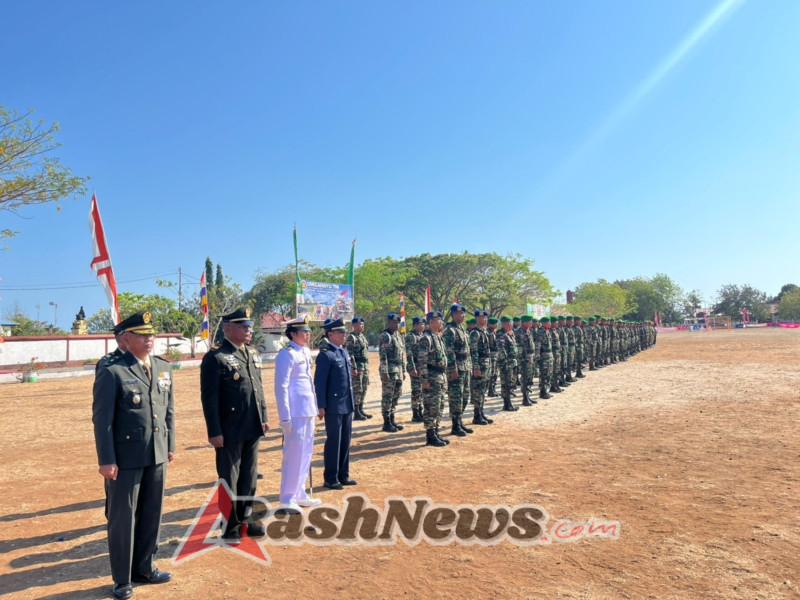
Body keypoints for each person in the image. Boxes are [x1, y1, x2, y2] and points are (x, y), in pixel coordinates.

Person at [92, 310, 174, 600]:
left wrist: (169, 444)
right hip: (125, 457)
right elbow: (103, 421)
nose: (149, 339)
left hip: (157, 452)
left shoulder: (163, 367)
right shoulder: (112, 369)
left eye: (151, 334)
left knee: (152, 513)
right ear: (126, 338)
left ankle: (145, 567)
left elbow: (168, 411)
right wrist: (106, 459)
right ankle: (122, 579)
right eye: (142, 334)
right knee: (123, 518)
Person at [200, 307, 269, 543]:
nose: (248, 330)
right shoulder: (216, 357)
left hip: (252, 424)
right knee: (229, 477)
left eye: (249, 326)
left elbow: (258, 389)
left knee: (248, 477)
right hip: (229, 429)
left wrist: (264, 416)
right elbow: (209, 398)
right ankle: (230, 527)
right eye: (243, 326)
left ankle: (246, 521)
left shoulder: (251, 352)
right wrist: (214, 431)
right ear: (228, 329)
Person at [273, 315, 320, 513]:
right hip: (294, 411)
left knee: (306, 453)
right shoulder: (287, 354)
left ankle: (299, 493)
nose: (308, 334)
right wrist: (285, 416)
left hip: (307, 408)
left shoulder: (305, 351)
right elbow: (281, 386)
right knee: (293, 454)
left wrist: (315, 407)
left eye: (309, 331)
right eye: (304, 331)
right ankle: (287, 497)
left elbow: (308, 382)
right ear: (293, 334)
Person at [314, 318, 357, 490]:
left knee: (345, 441)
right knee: (334, 441)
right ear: (330, 334)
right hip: (333, 406)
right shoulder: (325, 355)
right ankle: (330, 478)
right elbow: (320, 383)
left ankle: (343, 475)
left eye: (345, 332)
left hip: (347, 403)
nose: (344, 335)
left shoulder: (343, 353)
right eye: (341, 332)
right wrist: (321, 405)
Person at [417, 311, 449, 447]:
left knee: (440, 405)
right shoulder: (426, 338)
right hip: (432, 377)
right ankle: (430, 435)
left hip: (440, 376)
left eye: (441, 320)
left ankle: (436, 431)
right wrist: (424, 380)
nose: (441, 322)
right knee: (431, 407)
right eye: (438, 320)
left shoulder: (438, 336)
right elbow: (422, 361)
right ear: (430, 322)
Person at [443, 303, 473, 436]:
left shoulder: (463, 329)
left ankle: (460, 421)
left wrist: (470, 366)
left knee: (465, 395)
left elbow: (468, 351)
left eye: (463, 313)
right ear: (454, 315)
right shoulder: (450, 330)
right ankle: (455, 425)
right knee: (456, 397)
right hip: (456, 368)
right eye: (461, 313)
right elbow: (449, 352)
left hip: (465, 366)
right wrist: (453, 368)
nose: (463, 315)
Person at [379, 313, 406, 433]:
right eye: (394, 322)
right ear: (389, 323)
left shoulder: (398, 336)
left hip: (398, 370)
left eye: (397, 323)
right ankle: (386, 422)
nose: (396, 324)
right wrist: (384, 371)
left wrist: (403, 371)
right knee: (388, 396)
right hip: (390, 370)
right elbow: (383, 355)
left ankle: (392, 419)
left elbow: (401, 355)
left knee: (396, 395)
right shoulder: (386, 336)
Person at [468, 310, 493, 425]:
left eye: (486, 317)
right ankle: (477, 415)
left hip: (486, 364)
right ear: (477, 319)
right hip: (480, 365)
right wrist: (476, 367)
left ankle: (481, 412)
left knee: (483, 390)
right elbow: (474, 351)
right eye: (483, 317)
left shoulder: (485, 331)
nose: (485, 319)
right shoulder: (475, 333)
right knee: (478, 390)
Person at [346, 316, 372, 421]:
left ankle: (361, 409)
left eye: (362, 324)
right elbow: (350, 353)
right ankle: (356, 411)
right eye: (360, 324)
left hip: (364, 366)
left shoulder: (362, 336)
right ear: (354, 326)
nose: (362, 326)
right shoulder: (351, 337)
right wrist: (353, 367)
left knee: (364, 388)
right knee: (357, 389)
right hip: (357, 366)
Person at [495, 316, 519, 411]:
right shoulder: (501, 334)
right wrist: (505, 362)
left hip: (513, 361)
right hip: (506, 362)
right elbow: (501, 349)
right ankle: (507, 403)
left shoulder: (510, 333)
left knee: (511, 382)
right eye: (510, 322)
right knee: (506, 383)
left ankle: (508, 403)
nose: (512, 324)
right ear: (504, 323)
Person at [405, 316, 426, 423]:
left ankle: (420, 410)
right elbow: (409, 354)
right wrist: (412, 368)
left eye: (423, 324)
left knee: (422, 390)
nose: (422, 326)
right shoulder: (411, 336)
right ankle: (415, 412)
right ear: (415, 325)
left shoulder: (423, 335)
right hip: (415, 366)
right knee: (416, 390)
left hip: (422, 367)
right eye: (420, 324)